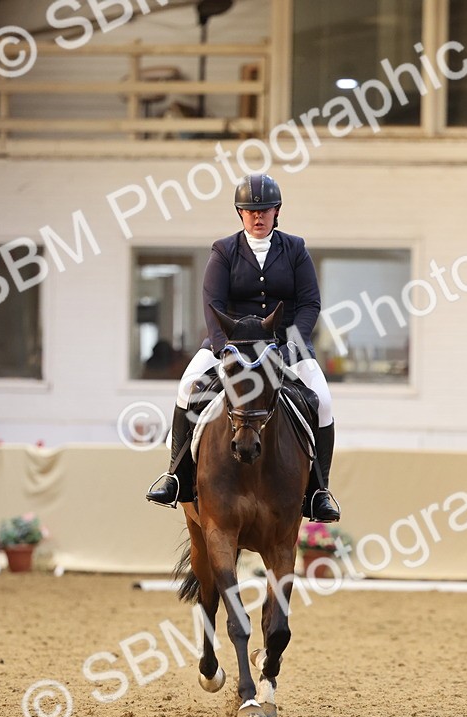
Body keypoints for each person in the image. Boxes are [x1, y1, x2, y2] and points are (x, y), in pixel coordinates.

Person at [145, 173, 340, 522]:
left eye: (265, 210)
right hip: (232, 344)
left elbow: (310, 303)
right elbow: (212, 304)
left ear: (277, 211)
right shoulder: (224, 250)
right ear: (240, 213)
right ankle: (176, 477)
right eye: (251, 211)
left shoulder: (295, 249)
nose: (258, 216)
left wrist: (292, 343)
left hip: (285, 345)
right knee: (188, 387)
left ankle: (319, 491)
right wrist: (225, 349)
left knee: (322, 400)